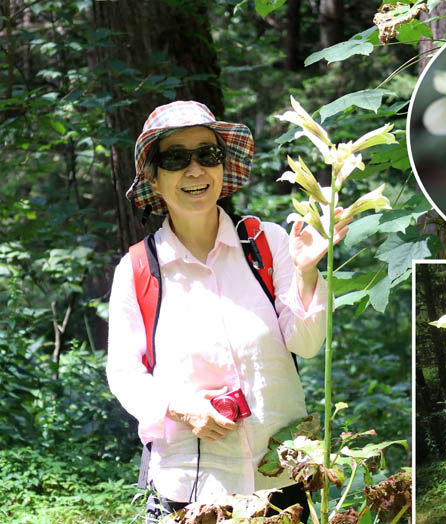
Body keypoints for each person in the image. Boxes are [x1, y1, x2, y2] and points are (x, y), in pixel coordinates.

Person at [106, 100, 349, 523]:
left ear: (223, 166)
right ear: (153, 177)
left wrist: (309, 273)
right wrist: (180, 407)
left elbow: (307, 345)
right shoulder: (139, 269)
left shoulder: (267, 243)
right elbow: (125, 373)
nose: (195, 170)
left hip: (280, 479)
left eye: (208, 155)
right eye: (176, 158)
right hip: (191, 489)